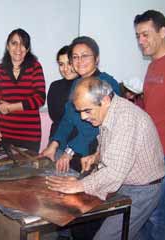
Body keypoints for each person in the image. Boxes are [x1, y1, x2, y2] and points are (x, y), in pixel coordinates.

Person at [46, 76, 165, 240]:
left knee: (107, 236)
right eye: (80, 112)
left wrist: (80, 184)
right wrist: (96, 157)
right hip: (125, 182)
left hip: (142, 189)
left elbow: (114, 172)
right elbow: (113, 146)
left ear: (105, 100)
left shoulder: (126, 120)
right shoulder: (109, 111)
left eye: (87, 111)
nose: (83, 117)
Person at [41, 36, 120, 173]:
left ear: (96, 58)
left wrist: (68, 152)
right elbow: (67, 119)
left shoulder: (107, 84)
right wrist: (53, 145)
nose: (79, 61)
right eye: (75, 57)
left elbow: (93, 129)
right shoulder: (77, 84)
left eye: (85, 56)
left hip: (95, 152)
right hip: (74, 149)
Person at [134, 10, 165, 240]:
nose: (141, 41)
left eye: (145, 34)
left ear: (162, 32)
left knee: (159, 217)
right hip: (148, 150)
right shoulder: (152, 66)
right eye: (138, 36)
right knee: (144, 214)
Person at [0, 28, 46, 152]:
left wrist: (10, 107)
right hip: (4, 134)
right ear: (8, 46)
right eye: (14, 43)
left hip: (30, 135)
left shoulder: (35, 67)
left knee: (28, 171)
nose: (19, 48)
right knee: (5, 169)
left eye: (23, 44)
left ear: (28, 49)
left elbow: (40, 98)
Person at [48, 45, 78, 138]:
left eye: (69, 63)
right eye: (61, 64)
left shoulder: (85, 85)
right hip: (56, 139)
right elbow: (55, 117)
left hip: (80, 142)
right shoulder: (54, 86)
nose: (65, 68)